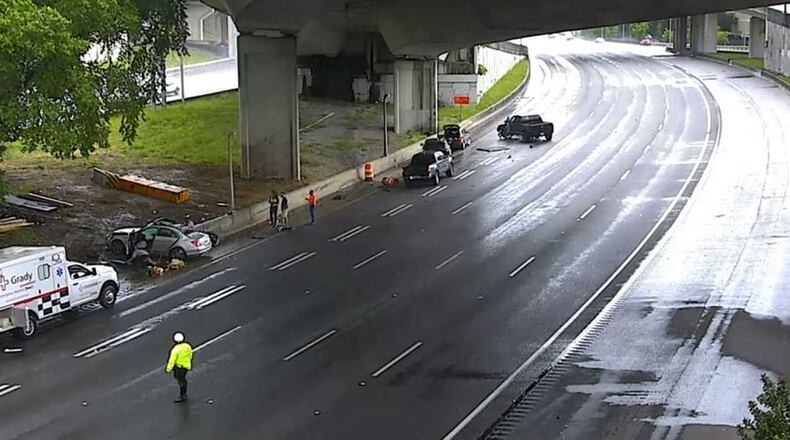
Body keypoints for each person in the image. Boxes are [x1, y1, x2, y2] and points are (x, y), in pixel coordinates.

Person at [166, 332, 193, 403]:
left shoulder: (175, 350)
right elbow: (190, 354)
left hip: (179, 366)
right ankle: (184, 394)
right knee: (182, 379)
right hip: (186, 365)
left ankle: (183, 395)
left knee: (181, 380)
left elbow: (172, 360)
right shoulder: (187, 346)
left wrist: (168, 368)